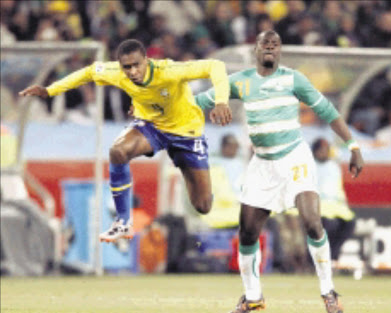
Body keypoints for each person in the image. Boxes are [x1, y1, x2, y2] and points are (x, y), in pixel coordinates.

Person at [195, 30, 364, 313]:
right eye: (265, 44)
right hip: (262, 164)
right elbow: (199, 102)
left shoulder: (293, 78)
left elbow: (327, 111)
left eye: (275, 44)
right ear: (256, 50)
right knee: (247, 232)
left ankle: (328, 290)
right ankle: (252, 296)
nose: (270, 48)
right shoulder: (240, 82)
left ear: (280, 51)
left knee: (312, 221)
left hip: (295, 157)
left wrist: (354, 146)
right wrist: (158, 109)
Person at [19, 39, 232, 243]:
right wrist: (50, 90)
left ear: (146, 61)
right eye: (126, 67)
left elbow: (215, 65)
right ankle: (123, 221)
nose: (132, 72)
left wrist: (222, 101)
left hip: (186, 133)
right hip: (152, 126)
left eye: (136, 66)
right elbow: (88, 73)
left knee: (203, 205)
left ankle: (186, 165)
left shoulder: (169, 71)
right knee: (118, 152)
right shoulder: (117, 73)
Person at [311, 138, 356, 263]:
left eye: (326, 150)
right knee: (330, 225)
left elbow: (338, 190)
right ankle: (320, 257)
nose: (324, 153)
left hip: (335, 207)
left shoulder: (333, 168)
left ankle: (333, 255)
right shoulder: (309, 166)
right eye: (321, 150)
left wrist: (343, 203)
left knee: (349, 224)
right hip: (317, 207)